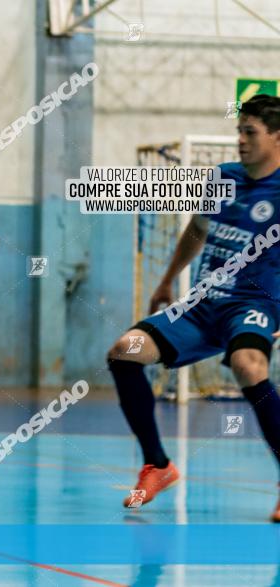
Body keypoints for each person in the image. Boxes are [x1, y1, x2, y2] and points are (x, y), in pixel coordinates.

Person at [107, 94, 280, 520]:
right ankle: (158, 466)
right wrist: (167, 281)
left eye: (250, 132)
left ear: (277, 136)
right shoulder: (222, 177)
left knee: (249, 366)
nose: (240, 139)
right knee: (123, 351)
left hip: (253, 305)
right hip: (203, 305)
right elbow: (197, 231)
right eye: (239, 130)